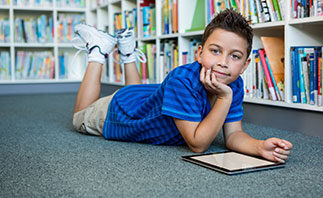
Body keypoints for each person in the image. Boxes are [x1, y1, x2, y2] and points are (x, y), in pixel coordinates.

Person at [72, 9, 293, 163]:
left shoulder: (233, 83)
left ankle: (128, 51)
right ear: (199, 53)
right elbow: (198, 144)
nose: (223, 63)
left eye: (234, 56)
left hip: (143, 99)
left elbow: (233, 135)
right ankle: (98, 51)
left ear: (245, 65)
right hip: (119, 111)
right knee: (78, 117)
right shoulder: (183, 81)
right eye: (215, 51)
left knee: (146, 106)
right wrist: (224, 99)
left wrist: (258, 147)